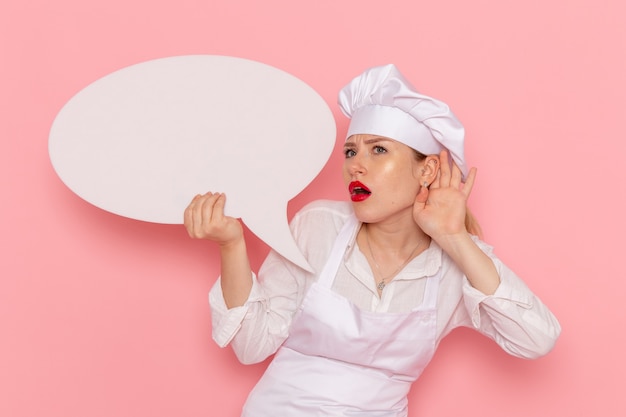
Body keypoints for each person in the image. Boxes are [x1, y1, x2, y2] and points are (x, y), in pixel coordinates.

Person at [184, 64, 561, 416]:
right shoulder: (318, 225)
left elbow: (537, 340)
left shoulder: (456, 263)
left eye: (378, 150)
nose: (355, 166)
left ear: (427, 169)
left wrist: (454, 237)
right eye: (351, 151)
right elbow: (251, 347)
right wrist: (231, 245)